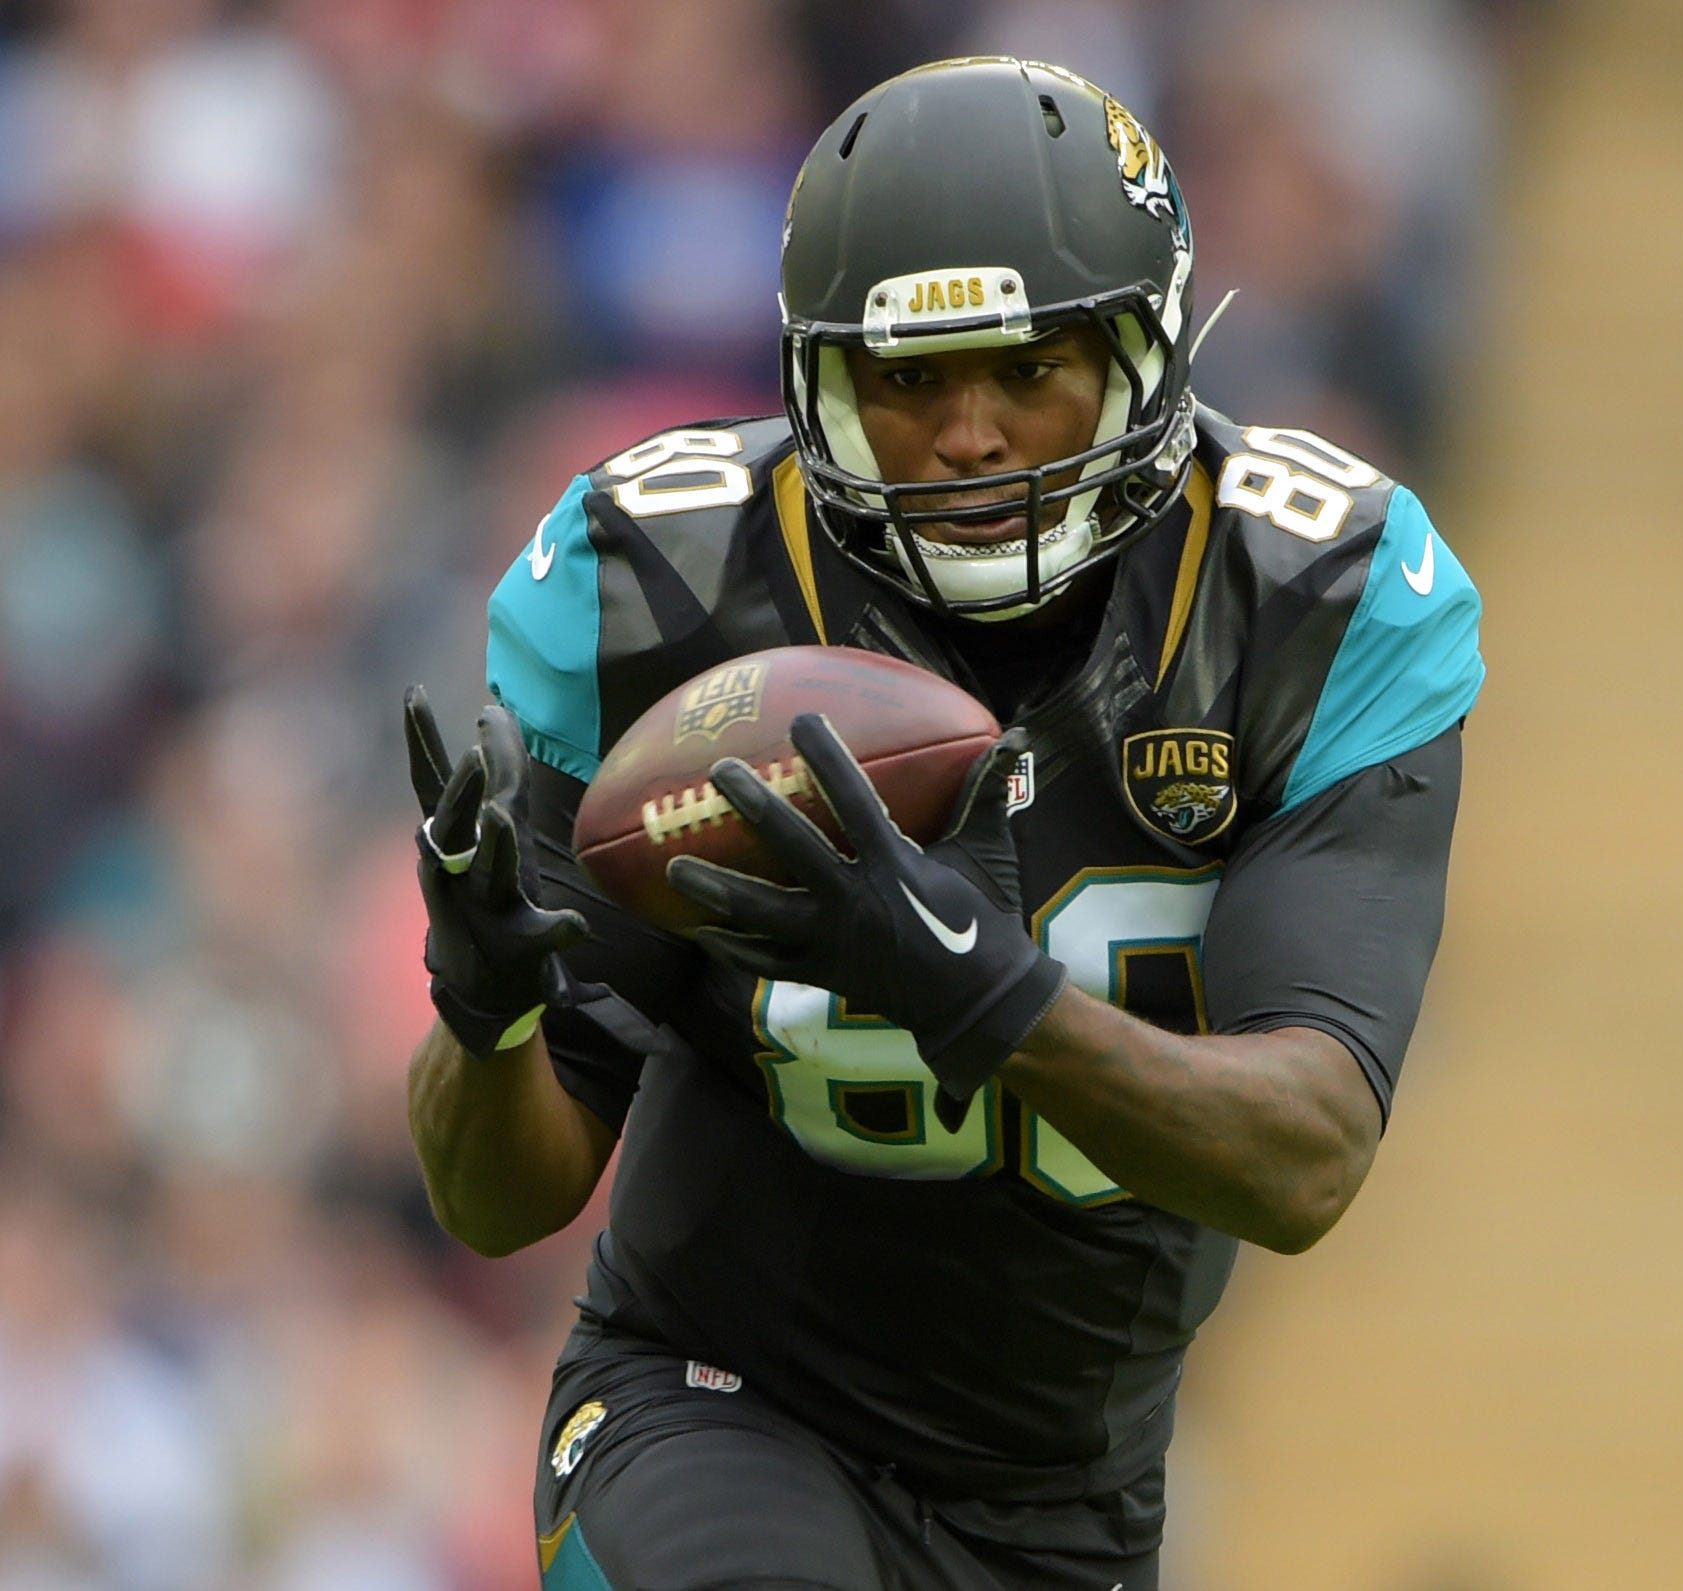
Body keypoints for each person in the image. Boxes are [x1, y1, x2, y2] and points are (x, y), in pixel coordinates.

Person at [404, 57, 1484, 1591]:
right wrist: (486, 1018)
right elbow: (494, 1197)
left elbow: (1301, 1155)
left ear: (1144, 354)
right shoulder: (673, 585)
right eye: (908, 382)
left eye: (1027, 369)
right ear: (822, 388)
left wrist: (980, 992)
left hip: (1065, 1498)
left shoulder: (1305, 600)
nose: (969, 435)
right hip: (718, 1405)